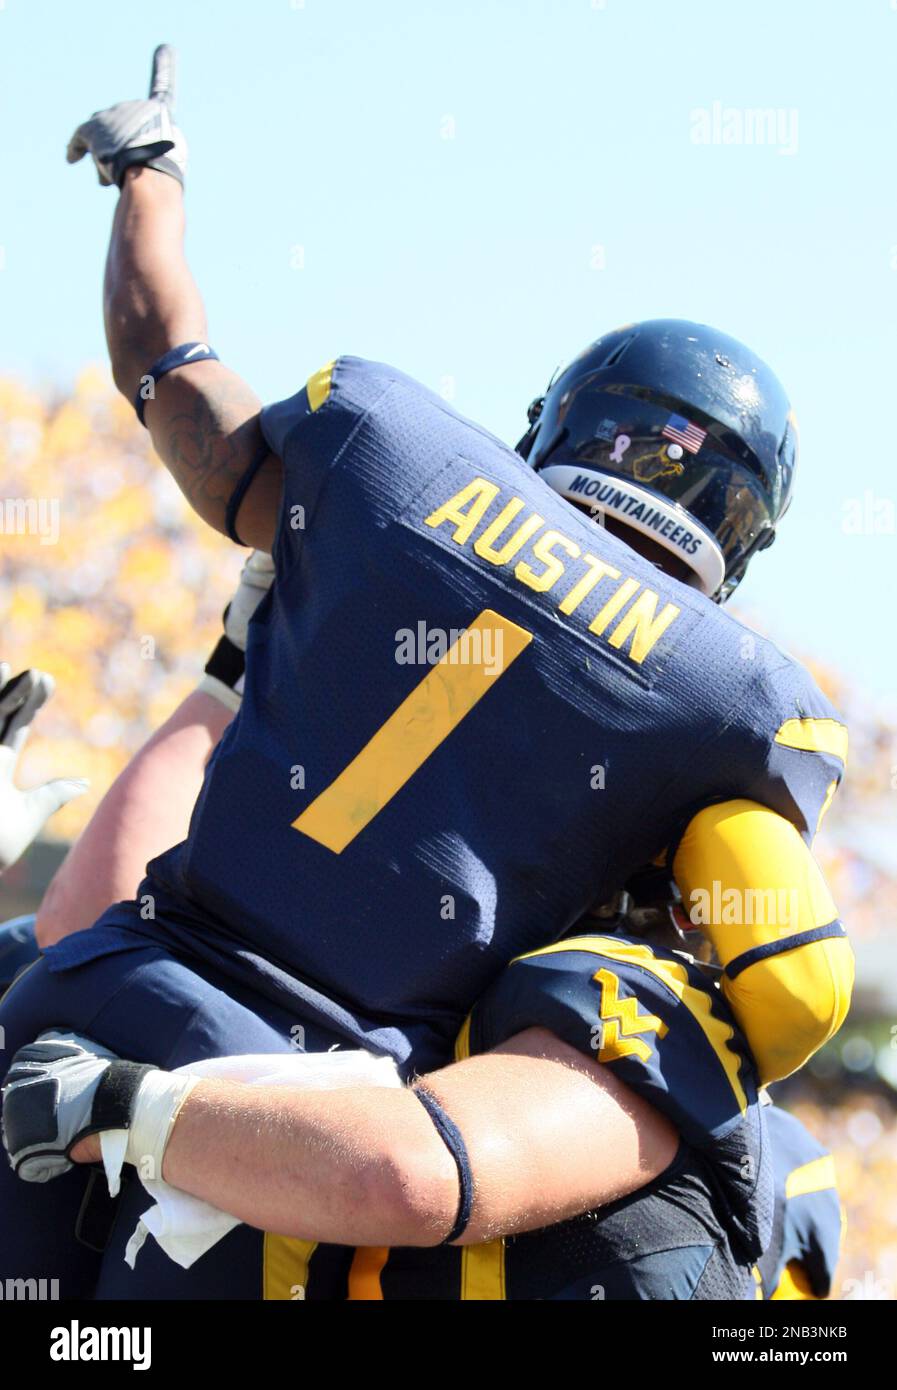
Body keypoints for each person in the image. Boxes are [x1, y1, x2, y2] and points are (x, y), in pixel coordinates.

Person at [0, 45, 852, 1295]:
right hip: (312, 1128)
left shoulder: (385, 442)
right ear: (740, 533)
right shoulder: (745, 703)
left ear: (561, 416)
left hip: (107, 985)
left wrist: (149, 175)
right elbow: (793, 984)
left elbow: (162, 358)